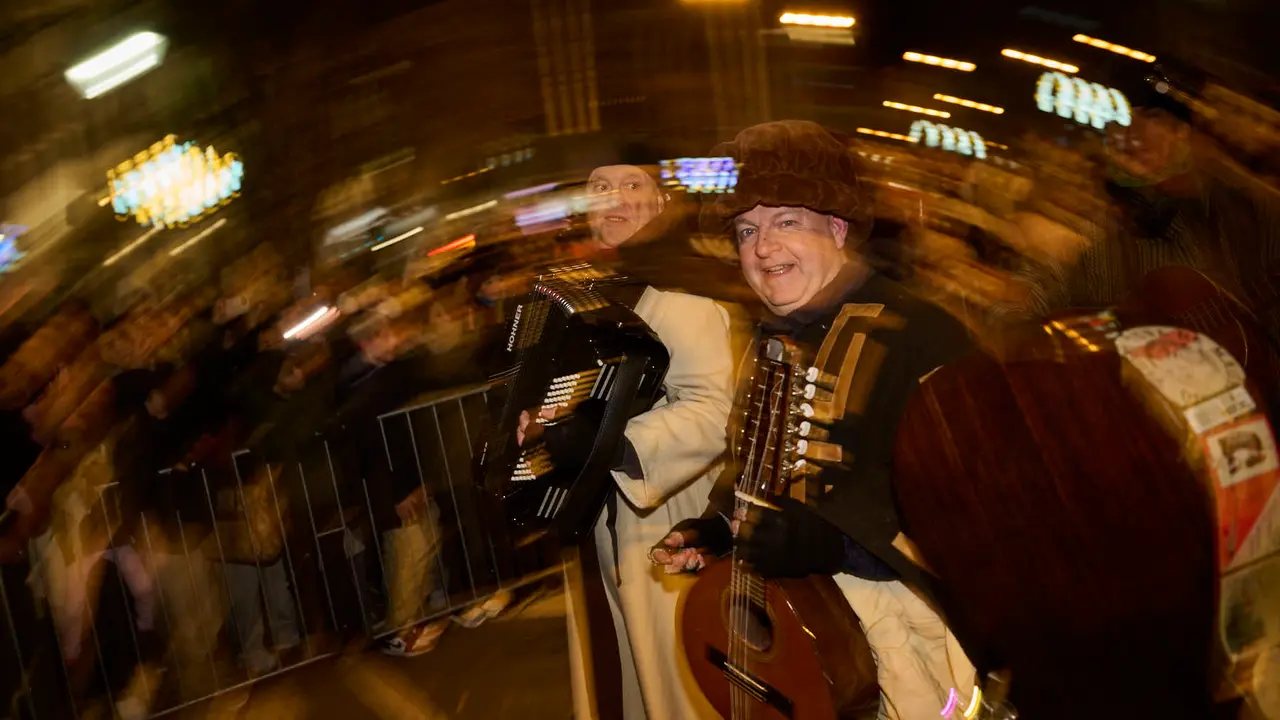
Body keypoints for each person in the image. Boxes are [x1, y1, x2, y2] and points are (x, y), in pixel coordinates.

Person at [651, 120, 979, 718]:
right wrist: (719, 528)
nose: (763, 248)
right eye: (747, 229)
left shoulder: (923, 334)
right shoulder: (770, 337)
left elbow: (971, 502)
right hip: (817, 637)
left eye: (786, 222)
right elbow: (753, 460)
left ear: (836, 227)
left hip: (925, 633)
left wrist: (836, 544)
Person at [519, 160, 735, 719]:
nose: (612, 194)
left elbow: (712, 412)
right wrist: (539, 426)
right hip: (591, 519)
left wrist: (608, 444)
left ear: (662, 203)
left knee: (676, 677)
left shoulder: (686, 292)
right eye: (598, 186)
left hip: (663, 519)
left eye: (631, 183)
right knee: (618, 674)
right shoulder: (580, 295)